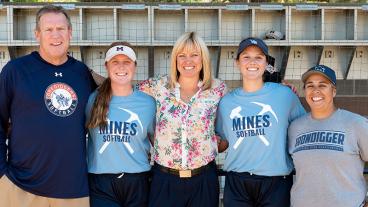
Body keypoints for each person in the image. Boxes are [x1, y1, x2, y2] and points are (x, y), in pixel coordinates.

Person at [0, 5, 95, 207]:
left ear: (69, 32)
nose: (55, 35)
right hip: (20, 187)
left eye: (61, 29)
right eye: (48, 30)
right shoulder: (15, 71)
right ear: (37, 34)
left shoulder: (83, 74)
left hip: (73, 191)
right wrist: (1, 175)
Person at [136, 32, 227, 207]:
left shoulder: (218, 89)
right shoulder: (158, 86)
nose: (188, 61)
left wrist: (277, 86)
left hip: (203, 179)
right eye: (182, 55)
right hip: (165, 179)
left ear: (203, 59)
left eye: (194, 55)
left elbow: (234, 116)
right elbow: (122, 89)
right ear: (175, 59)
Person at [215, 37, 306, 207]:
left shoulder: (285, 95)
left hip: (276, 181)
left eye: (258, 57)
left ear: (266, 63)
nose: (252, 62)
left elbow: (304, 129)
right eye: (246, 57)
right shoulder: (226, 103)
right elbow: (223, 141)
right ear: (237, 63)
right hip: (237, 181)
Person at [85, 42, 156, 207]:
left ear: (135, 65)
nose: (121, 66)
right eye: (115, 62)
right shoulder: (92, 100)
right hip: (101, 181)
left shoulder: (148, 103)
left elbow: (157, 142)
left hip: (138, 179)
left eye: (127, 61)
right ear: (107, 66)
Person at [288, 65, 368, 207]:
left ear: (334, 91)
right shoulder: (294, 127)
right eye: (310, 85)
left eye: (322, 85)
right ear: (305, 91)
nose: (315, 90)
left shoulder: (356, 124)